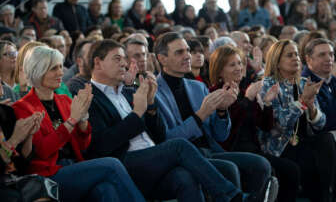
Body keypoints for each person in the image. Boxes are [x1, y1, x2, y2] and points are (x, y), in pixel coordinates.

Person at [86, 39, 246, 202]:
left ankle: (230, 195)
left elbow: (159, 134)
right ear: (98, 63)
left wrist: (150, 106)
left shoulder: (127, 92)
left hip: (153, 155)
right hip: (124, 162)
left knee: (185, 178)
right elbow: (102, 145)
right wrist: (136, 114)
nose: (124, 64)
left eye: (124, 59)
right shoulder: (89, 98)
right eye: (117, 59)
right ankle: (231, 196)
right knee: (179, 146)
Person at [12, 45, 147, 202]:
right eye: (54, 69)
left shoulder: (64, 100)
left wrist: (83, 123)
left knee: (106, 189)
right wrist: (71, 122)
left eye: (61, 67)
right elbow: (41, 152)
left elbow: (83, 146)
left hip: (74, 167)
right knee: (112, 165)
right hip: (48, 175)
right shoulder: (22, 107)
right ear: (38, 71)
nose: (61, 73)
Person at [154, 32, 272, 201]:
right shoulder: (154, 93)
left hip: (209, 151)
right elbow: (167, 140)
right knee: (229, 169)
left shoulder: (197, 87)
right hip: (183, 158)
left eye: (187, 50)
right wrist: (200, 115)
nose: (187, 55)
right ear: (162, 59)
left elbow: (219, 135)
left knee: (261, 165)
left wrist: (222, 111)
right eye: (179, 52)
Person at [208, 45, 298, 202]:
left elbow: (265, 126)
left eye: (240, 63)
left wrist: (268, 103)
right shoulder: (214, 92)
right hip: (230, 149)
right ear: (220, 70)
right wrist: (248, 100)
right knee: (284, 170)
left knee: (291, 169)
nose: (239, 68)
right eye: (232, 64)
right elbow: (225, 133)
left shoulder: (244, 91)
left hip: (252, 148)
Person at [260, 39, 336, 202]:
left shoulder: (304, 83)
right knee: (309, 160)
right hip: (279, 144)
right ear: (277, 61)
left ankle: (327, 197)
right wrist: (302, 101)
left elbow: (320, 124)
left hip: (302, 140)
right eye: (290, 55)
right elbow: (278, 124)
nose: (296, 58)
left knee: (326, 139)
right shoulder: (267, 85)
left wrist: (311, 108)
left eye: (296, 54)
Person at [302, 38, 336, 164]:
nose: (329, 59)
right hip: (320, 139)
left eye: (331, 54)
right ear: (309, 59)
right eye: (322, 55)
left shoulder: (332, 80)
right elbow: (323, 123)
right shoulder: (306, 83)